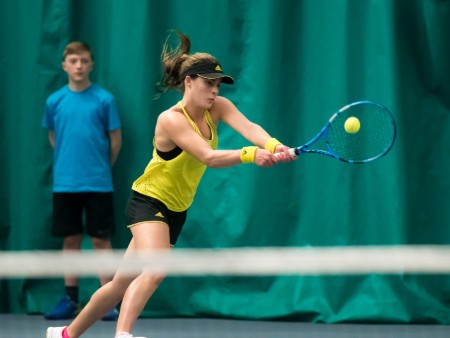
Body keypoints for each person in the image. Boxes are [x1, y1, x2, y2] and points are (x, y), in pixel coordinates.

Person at [46, 31, 295, 338]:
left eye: (218, 84)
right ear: (188, 81)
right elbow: (208, 156)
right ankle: (123, 334)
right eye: (208, 82)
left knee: (118, 285)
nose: (215, 90)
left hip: (177, 207)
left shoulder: (219, 108)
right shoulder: (170, 119)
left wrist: (274, 145)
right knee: (157, 268)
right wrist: (250, 155)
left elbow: (250, 128)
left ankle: (65, 335)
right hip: (148, 201)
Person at [42, 41, 122, 322]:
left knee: (101, 240)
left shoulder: (104, 100)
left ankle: (109, 300)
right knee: (71, 239)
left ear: (91, 64)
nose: (79, 66)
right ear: (64, 65)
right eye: (73, 61)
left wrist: (99, 169)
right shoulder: (54, 102)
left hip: (99, 183)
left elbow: (115, 141)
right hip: (65, 184)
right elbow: (54, 137)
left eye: (84, 61)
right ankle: (70, 299)